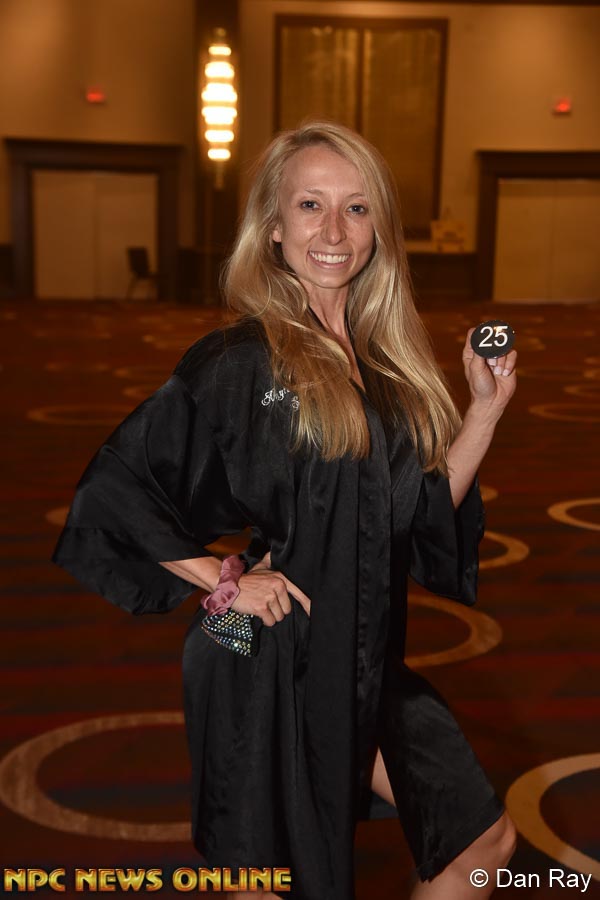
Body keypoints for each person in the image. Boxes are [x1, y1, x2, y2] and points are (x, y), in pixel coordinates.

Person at [53, 121, 517, 899]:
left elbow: (417, 513)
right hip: (264, 654)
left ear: (379, 228)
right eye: (310, 205)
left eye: (356, 208)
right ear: (273, 226)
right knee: (271, 880)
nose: (334, 231)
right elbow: (113, 489)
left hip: (363, 658)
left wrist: (486, 410)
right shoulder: (243, 360)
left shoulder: (382, 363)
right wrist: (221, 581)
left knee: (481, 840)